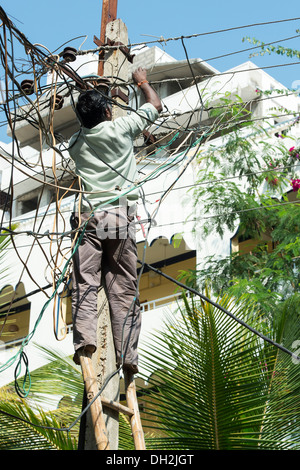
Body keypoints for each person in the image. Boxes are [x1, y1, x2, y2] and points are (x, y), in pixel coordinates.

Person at [68, 67, 162, 373]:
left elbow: (87, 125)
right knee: (121, 286)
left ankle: (84, 340)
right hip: (118, 211)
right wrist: (142, 82)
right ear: (109, 111)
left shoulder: (75, 143)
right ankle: (128, 357)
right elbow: (155, 105)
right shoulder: (121, 128)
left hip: (87, 216)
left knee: (85, 282)